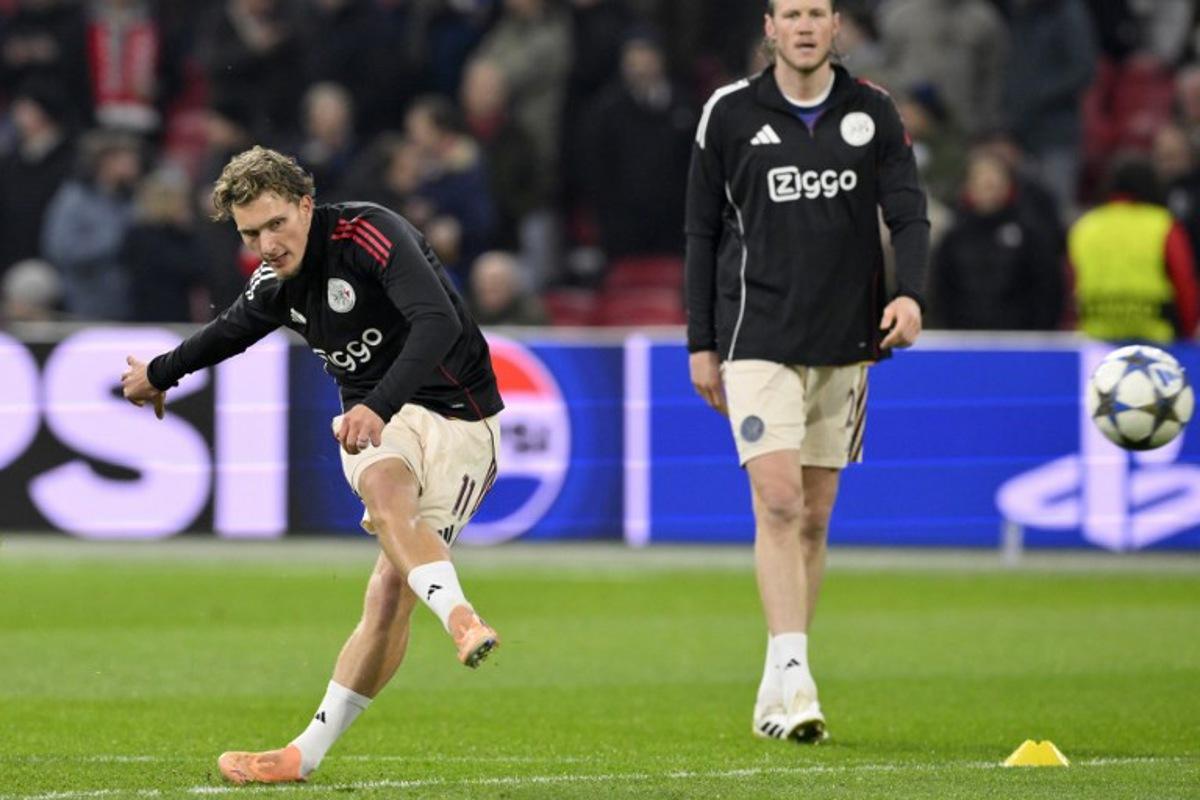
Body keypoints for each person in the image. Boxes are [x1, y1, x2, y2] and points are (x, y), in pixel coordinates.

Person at [120, 146, 504, 784]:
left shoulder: (370, 233)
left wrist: (379, 403)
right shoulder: (274, 281)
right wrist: (160, 373)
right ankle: (459, 618)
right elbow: (231, 329)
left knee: (387, 594)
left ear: (306, 204)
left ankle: (310, 748)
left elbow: (436, 320)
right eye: (249, 234)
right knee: (384, 490)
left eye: (275, 224)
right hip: (378, 424)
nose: (265, 244)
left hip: (462, 419)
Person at [684, 0, 929, 744]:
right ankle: (798, 678)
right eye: (791, 12)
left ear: (835, 28)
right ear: (770, 27)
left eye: (817, 12)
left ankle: (773, 680)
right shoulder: (727, 114)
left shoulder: (873, 113)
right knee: (781, 502)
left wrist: (911, 292)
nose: (804, 25)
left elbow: (909, 213)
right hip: (755, 337)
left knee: (816, 516)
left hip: (846, 342)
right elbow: (700, 230)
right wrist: (701, 341)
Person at [1069, 154, 1198, 343]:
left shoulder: (1085, 226)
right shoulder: (1163, 224)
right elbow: (1184, 283)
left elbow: (1071, 282)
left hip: (1096, 341)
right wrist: (1188, 332)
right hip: (1156, 339)